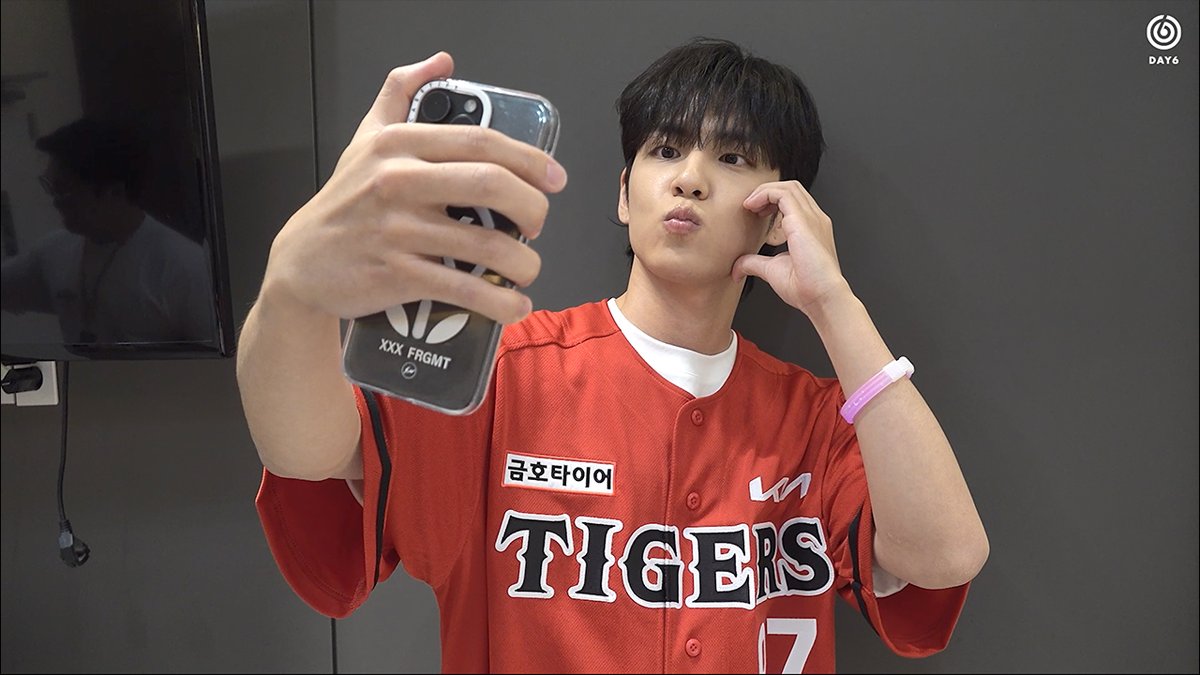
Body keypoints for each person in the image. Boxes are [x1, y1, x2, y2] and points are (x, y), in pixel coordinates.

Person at [239, 38, 989, 673]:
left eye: (732, 156)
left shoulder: (822, 420)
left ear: (778, 216)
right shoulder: (503, 373)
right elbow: (312, 450)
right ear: (627, 194)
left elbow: (945, 555)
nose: (690, 176)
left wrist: (834, 303)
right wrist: (291, 286)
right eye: (666, 149)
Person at [1, 117, 216, 346]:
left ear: (114, 192)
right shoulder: (52, 251)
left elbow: (215, 359)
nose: (55, 201)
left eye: (63, 189)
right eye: (50, 186)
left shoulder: (183, 265)